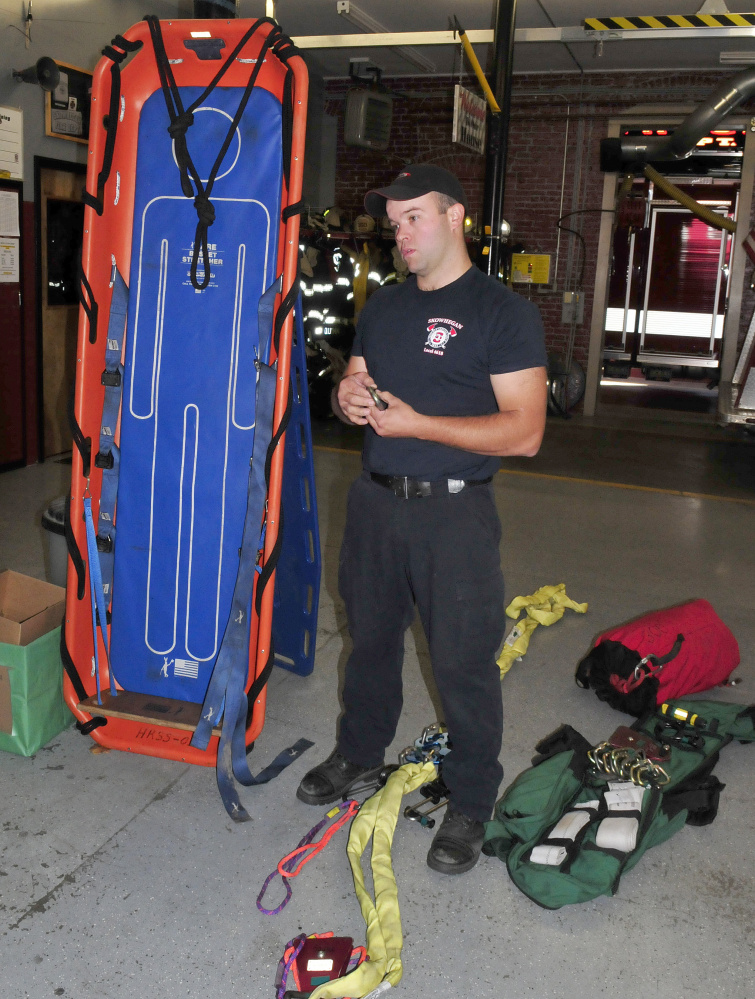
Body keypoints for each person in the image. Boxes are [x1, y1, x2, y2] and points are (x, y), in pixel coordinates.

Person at [296, 165, 548, 874]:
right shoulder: (384, 306)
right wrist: (350, 393)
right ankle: (357, 752)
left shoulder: (502, 313)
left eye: (414, 217)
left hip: (454, 515)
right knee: (369, 641)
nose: (399, 232)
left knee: (463, 663)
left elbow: (524, 431)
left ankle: (470, 797)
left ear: (455, 217)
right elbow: (360, 370)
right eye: (393, 220)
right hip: (375, 503)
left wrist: (420, 425)